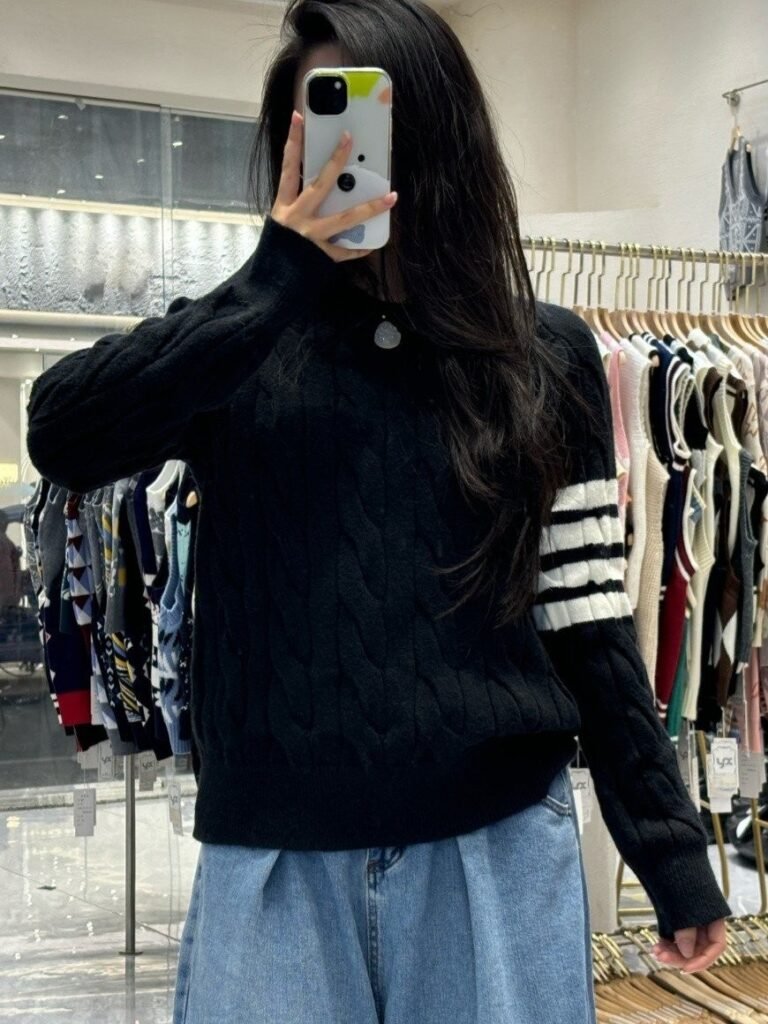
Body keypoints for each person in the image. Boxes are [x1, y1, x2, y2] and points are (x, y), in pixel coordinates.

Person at [26, 1, 730, 1021]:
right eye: (317, 118)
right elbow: (62, 432)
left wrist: (669, 849)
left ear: (436, 134)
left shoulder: (543, 355)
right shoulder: (237, 343)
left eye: (368, 115)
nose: (340, 148)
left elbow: (586, 620)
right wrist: (275, 279)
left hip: (492, 849)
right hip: (276, 860)